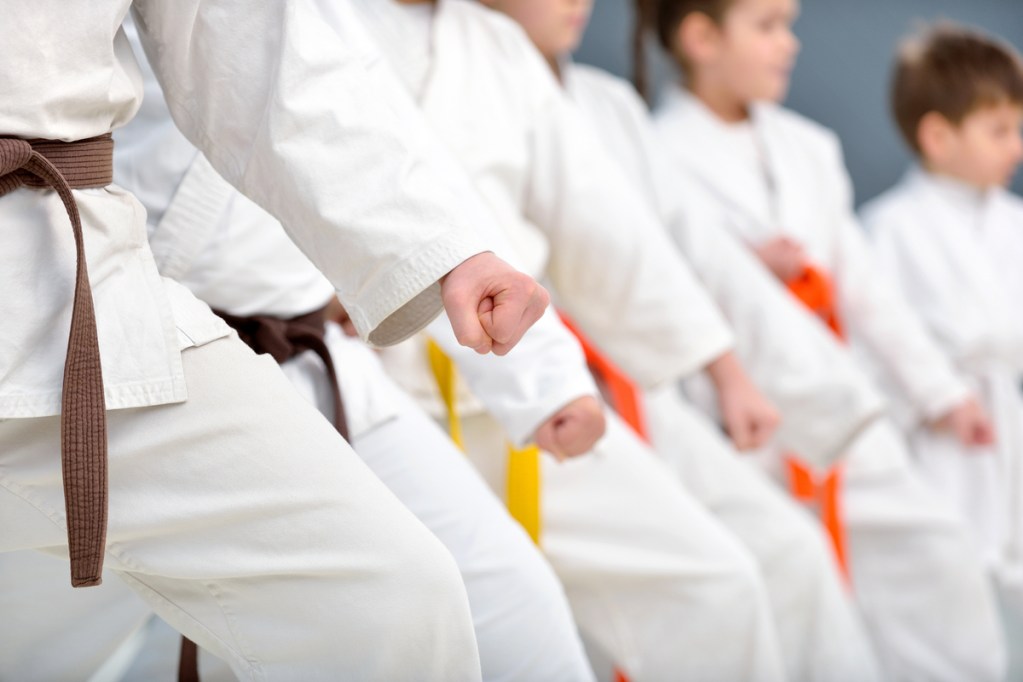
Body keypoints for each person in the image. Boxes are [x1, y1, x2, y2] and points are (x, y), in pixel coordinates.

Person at [1, 2, 550, 679]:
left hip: (73, 301)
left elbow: (258, 46)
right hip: (108, 305)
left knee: (393, 600)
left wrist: (443, 252)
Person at [346, 1, 888, 679]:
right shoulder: (317, 23)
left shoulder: (494, 50)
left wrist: (720, 366)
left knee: (715, 583)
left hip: (525, 376)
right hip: (374, 389)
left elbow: (608, 232)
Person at [644, 0, 1007, 678]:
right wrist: (745, 266)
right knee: (791, 587)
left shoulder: (809, 148)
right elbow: (648, 281)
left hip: (831, 396)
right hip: (733, 417)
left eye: (788, 24)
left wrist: (941, 393)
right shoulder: (653, 153)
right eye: (766, 27)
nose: (788, 45)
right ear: (699, 37)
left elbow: (868, 294)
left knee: (936, 550)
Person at [861, 22, 1023, 614]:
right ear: (938, 135)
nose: (1017, 148)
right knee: (950, 580)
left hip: (1008, 411)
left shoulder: (1015, 222)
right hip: (940, 432)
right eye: (1000, 130)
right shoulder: (890, 228)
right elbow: (874, 345)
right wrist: (939, 398)